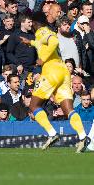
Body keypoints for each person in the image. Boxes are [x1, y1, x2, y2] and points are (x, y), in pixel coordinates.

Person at [20, 11, 90, 153]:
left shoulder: (41, 31)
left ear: (33, 22)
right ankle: (83, 136)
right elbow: (43, 43)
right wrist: (31, 42)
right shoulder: (40, 34)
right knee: (68, 109)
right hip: (63, 71)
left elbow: (54, 41)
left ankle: (52, 133)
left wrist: (42, 58)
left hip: (51, 72)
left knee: (34, 106)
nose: (26, 23)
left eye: (27, 21)